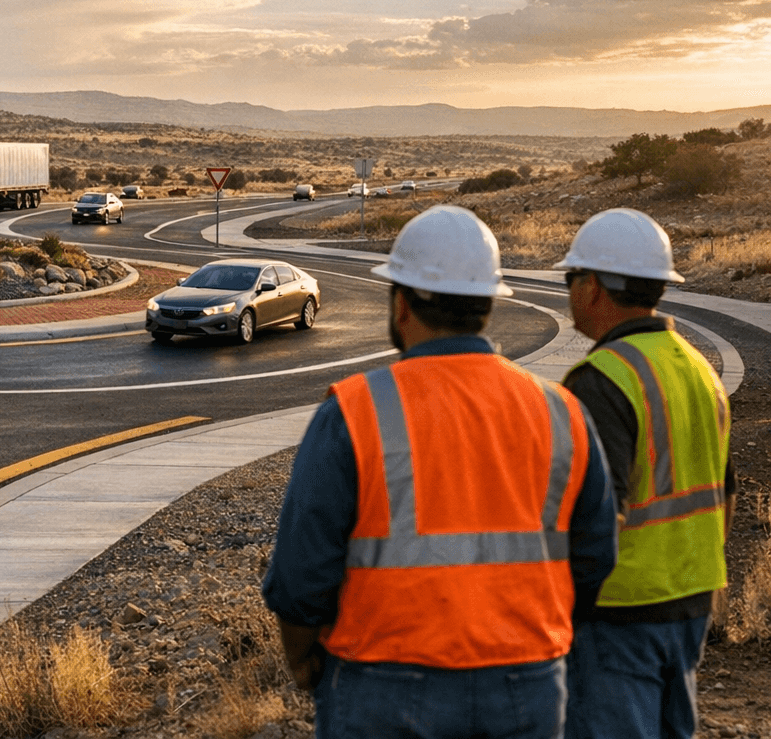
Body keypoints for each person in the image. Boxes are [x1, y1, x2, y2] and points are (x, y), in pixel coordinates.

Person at [262, 205, 616, 739]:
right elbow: (596, 554)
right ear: (488, 305)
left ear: (402, 303)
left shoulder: (356, 411)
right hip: (527, 682)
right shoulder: (561, 411)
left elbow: (302, 568)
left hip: (383, 681)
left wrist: (302, 658)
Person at [556, 208, 735, 739]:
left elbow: (598, 517)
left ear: (592, 287)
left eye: (570, 279)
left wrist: (563, 607)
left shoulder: (601, 379)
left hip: (620, 610)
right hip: (691, 598)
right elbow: (724, 491)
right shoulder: (698, 368)